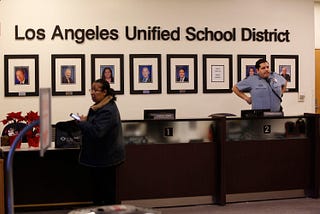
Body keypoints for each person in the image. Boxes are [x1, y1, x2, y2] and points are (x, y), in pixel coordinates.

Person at [76, 79, 125, 205]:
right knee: (99, 191)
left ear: (104, 92)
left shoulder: (107, 109)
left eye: (95, 90)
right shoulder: (101, 106)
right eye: (91, 89)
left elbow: (98, 132)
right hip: (100, 158)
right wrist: (86, 120)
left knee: (105, 194)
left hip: (105, 159)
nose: (92, 93)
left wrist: (83, 124)